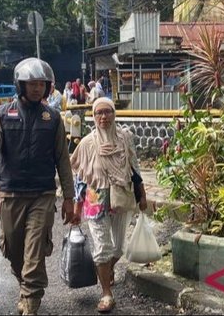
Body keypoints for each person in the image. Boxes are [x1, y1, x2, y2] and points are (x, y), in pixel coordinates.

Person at [0, 57, 75, 316]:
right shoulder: (2, 114)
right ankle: (26, 289)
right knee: (13, 251)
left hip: (42, 194)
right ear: (20, 85)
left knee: (34, 254)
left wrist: (69, 197)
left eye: (41, 84)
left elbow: (62, 160)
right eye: (31, 84)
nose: (36, 89)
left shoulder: (53, 118)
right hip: (11, 193)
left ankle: (31, 304)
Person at [69, 97, 147, 313]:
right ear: (93, 117)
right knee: (103, 248)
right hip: (95, 198)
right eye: (98, 113)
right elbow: (80, 177)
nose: (103, 117)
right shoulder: (87, 143)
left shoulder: (124, 138)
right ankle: (106, 293)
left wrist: (142, 193)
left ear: (114, 113)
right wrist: (76, 206)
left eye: (107, 112)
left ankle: (106, 269)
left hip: (121, 195)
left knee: (119, 248)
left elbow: (134, 166)